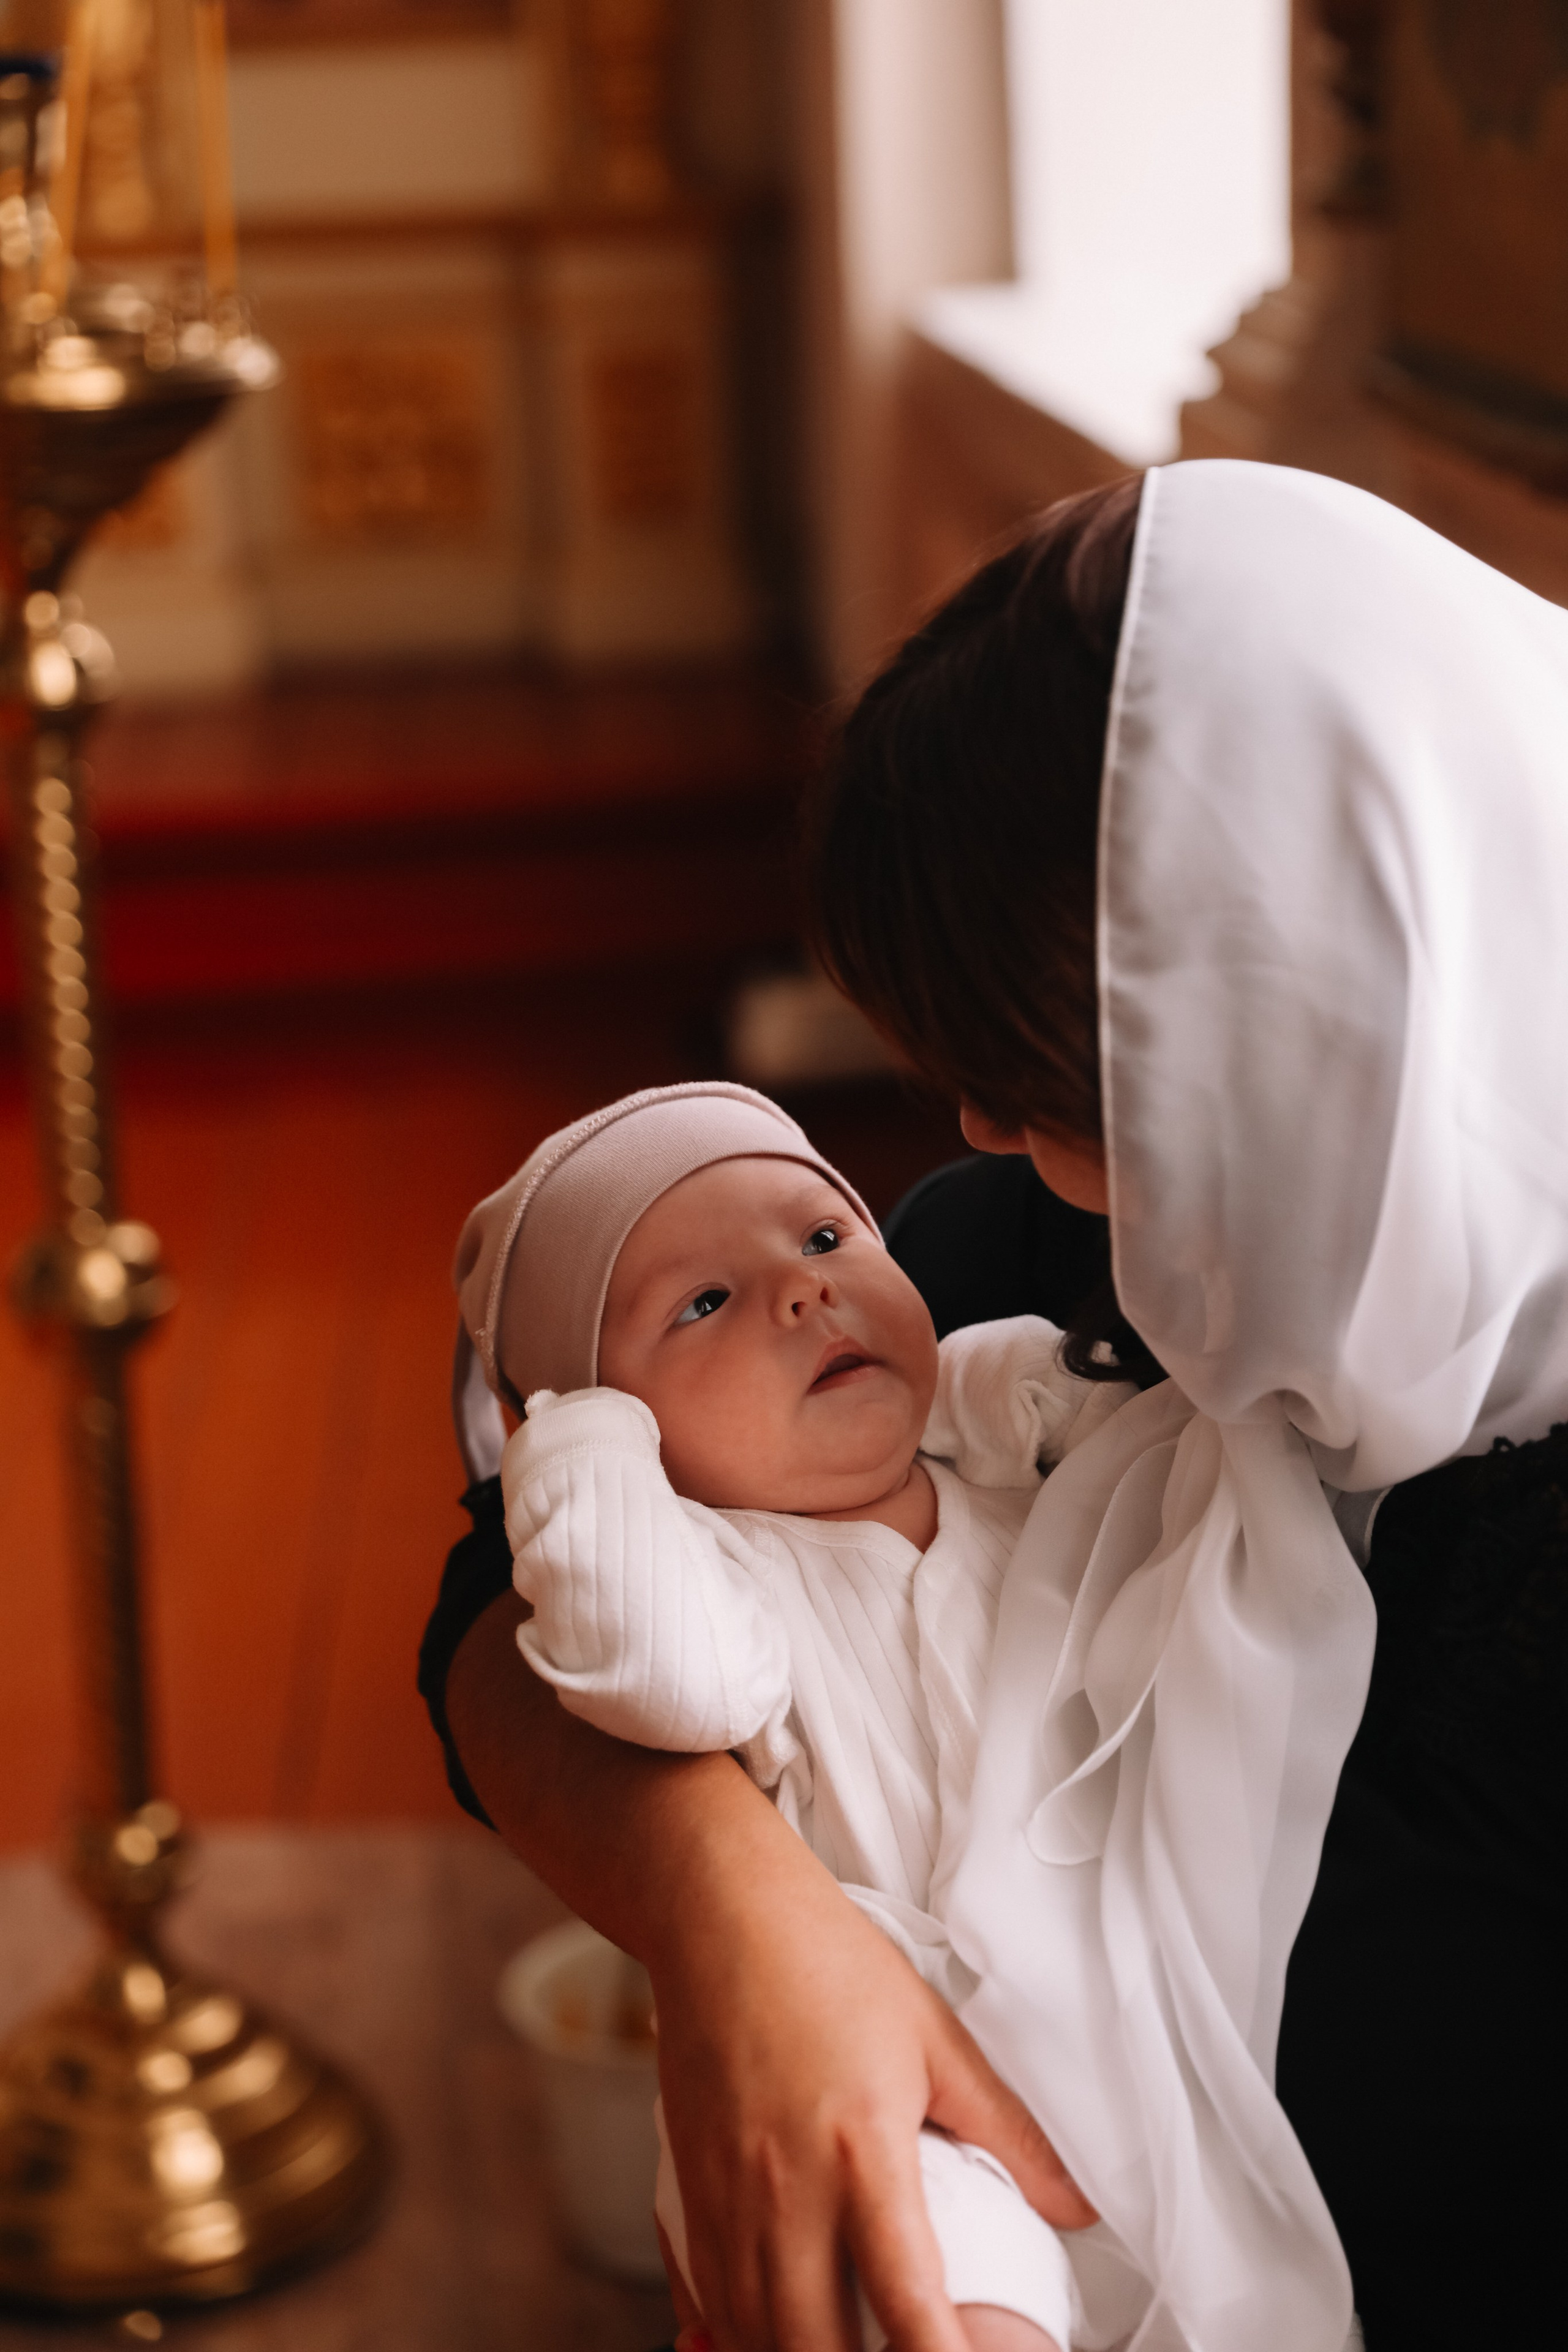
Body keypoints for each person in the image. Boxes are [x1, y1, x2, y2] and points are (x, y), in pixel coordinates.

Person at [421, 461, 1568, 2352]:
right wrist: (744, 1929)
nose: (976, 1145)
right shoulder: (1072, 1254)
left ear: (1323, 1037)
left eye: (1050, 1091)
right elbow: (492, 1586)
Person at [453, 1080, 1140, 2352]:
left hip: (1135, 2022)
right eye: (701, 1303)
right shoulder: (718, 1581)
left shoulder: (995, 1438)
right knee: (946, 2310)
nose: (800, 1291)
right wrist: (569, 1434)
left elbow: (1141, 1432)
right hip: (883, 2063)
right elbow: (648, 1671)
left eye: (823, 1237)